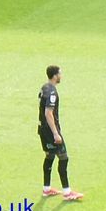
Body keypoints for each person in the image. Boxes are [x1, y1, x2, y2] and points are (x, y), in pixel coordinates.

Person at [36, 65, 81, 202]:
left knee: (49, 156)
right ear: (55, 76)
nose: (61, 76)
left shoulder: (44, 88)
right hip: (50, 131)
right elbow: (48, 113)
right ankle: (67, 192)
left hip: (42, 129)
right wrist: (56, 133)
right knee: (63, 158)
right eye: (60, 73)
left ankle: (46, 189)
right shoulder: (52, 93)